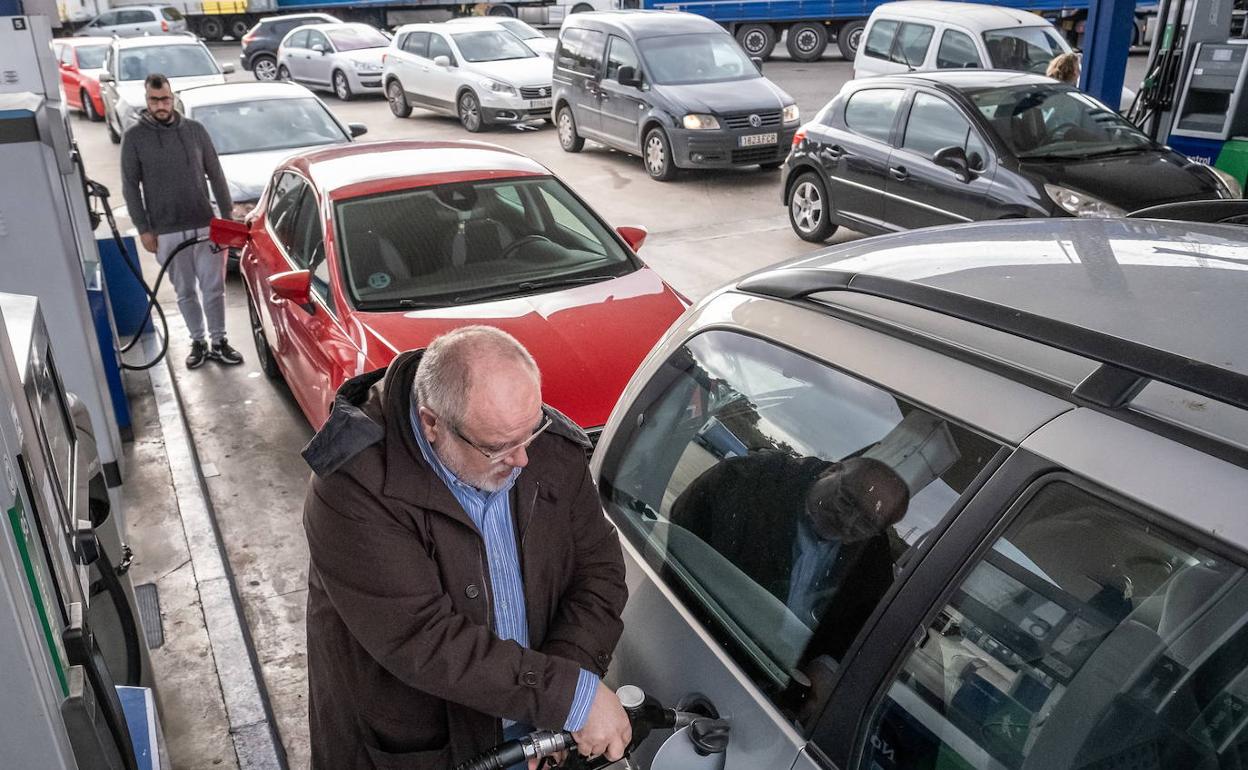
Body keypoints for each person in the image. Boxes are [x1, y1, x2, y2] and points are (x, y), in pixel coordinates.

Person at [301, 326, 632, 768]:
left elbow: (599, 572)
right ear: (432, 423)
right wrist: (568, 696)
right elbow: (422, 636)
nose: (523, 460)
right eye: (498, 449)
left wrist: (559, 692)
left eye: (531, 432)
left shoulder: (536, 441)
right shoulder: (351, 483)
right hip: (424, 748)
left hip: (537, 725)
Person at [670, 453, 909, 652]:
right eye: (846, 502)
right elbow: (677, 548)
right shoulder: (745, 483)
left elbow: (861, 630)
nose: (848, 523)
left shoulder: (871, 559)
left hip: (786, 683)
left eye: (865, 523)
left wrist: (826, 665)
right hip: (697, 637)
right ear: (830, 471)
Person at [120, 73, 243, 369]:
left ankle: (218, 340)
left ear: (173, 98)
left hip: (204, 223)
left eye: (165, 99)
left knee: (214, 287)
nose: (161, 105)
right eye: (154, 100)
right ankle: (198, 340)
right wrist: (144, 230)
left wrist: (227, 217)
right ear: (146, 100)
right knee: (185, 290)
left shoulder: (195, 130)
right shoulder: (134, 137)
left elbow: (216, 173)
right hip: (166, 231)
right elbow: (129, 186)